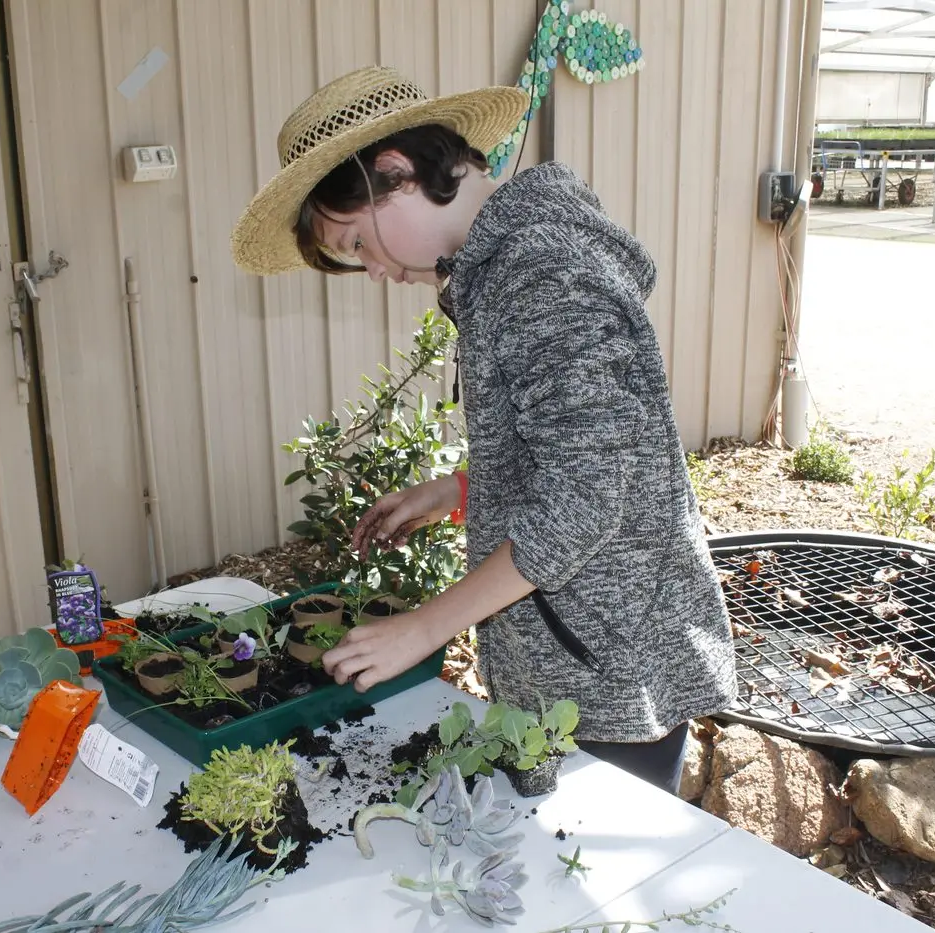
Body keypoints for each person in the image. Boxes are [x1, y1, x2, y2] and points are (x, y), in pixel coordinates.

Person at [231, 65, 736, 794]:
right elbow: (581, 447)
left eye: (352, 243)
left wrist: (422, 627)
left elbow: (587, 496)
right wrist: (463, 488)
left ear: (395, 172)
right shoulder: (503, 267)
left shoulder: (540, 273)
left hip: (608, 660)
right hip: (576, 645)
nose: (368, 269)